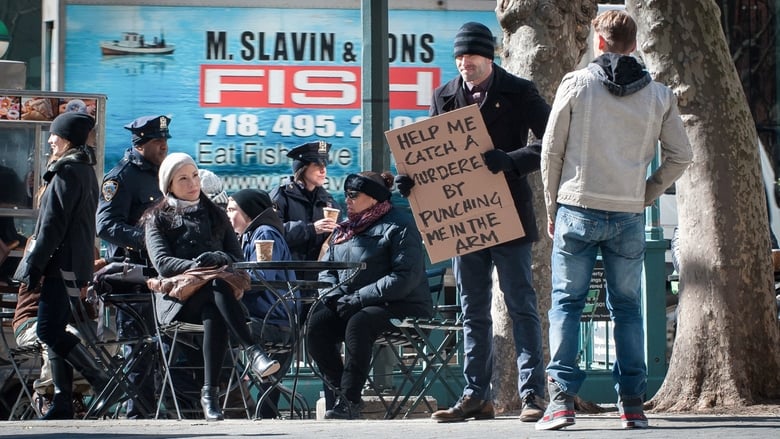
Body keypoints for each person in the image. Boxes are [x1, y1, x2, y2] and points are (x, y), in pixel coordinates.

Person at [537, 10, 693, 431]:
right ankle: (632, 405)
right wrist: (645, 193)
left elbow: (551, 151)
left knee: (567, 305)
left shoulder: (576, 84)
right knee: (627, 309)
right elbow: (682, 156)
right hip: (627, 212)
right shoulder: (659, 95)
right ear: (635, 44)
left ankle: (561, 403)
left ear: (599, 42)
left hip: (577, 206)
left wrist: (553, 205)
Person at [396, 22, 551, 423]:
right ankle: (474, 396)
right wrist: (411, 179)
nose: (465, 64)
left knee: (521, 306)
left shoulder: (519, 90)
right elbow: (430, 152)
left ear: (490, 56)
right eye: (460, 58)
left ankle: (534, 394)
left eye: (472, 57)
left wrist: (512, 161)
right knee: (472, 309)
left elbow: (551, 141)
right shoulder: (443, 95)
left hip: (508, 216)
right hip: (463, 222)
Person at [142, 152, 280, 421]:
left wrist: (220, 258)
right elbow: (163, 263)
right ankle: (252, 352)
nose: (192, 183)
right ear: (169, 185)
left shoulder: (216, 214)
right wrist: (197, 265)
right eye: (183, 178)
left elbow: (236, 259)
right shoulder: (157, 218)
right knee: (215, 287)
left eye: (194, 175)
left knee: (215, 303)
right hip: (179, 300)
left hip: (216, 298)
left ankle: (210, 395)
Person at [12, 112, 119, 420]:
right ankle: (61, 398)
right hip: (72, 266)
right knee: (55, 329)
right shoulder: (84, 170)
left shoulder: (67, 171)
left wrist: (33, 266)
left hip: (60, 266)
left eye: (55, 135)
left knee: (47, 329)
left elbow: (51, 227)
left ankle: (102, 380)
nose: (49, 140)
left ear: (68, 138)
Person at [306, 171, 433, 420]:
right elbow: (328, 269)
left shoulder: (400, 225)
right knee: (317, 325)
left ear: (373, 198)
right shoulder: (346, 228)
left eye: (354, 195)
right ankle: (341, 392)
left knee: (360, 323)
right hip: (355, 304)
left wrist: (359, 298)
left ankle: (350, 401)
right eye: (346, 194)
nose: (347, 200)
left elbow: (404, 277)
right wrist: (332, 296)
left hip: (403, 306)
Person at [95, 114, 171, 419]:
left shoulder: (165, 174)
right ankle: (138, 415)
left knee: (163, 346)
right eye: (157, 141)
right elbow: (106, 225)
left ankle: (160, 411)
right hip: (133, 275)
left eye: (165, 140)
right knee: (139, 348)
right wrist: (149, 240)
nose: (164, 146)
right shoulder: (121, 177)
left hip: (164, 273)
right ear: (141, 144)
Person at [226, 188, 297, 418]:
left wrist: (228, 279)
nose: (227, 215)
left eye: (231, 209)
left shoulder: (264, 233)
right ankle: (250, 404)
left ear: (248, 212)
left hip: (272, 320)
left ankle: (236, 403)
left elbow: (264, 277)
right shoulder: (248, 234)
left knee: (213, 333)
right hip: (263, 315)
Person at [270, 140, 339, 278]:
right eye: (317, 164)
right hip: (287, 276)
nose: (323, 170)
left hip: (319, 277)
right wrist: (311, 229)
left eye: (325, 165)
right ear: (302, 168)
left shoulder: (329, 201)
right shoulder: (281, 195)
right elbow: (271, 234)